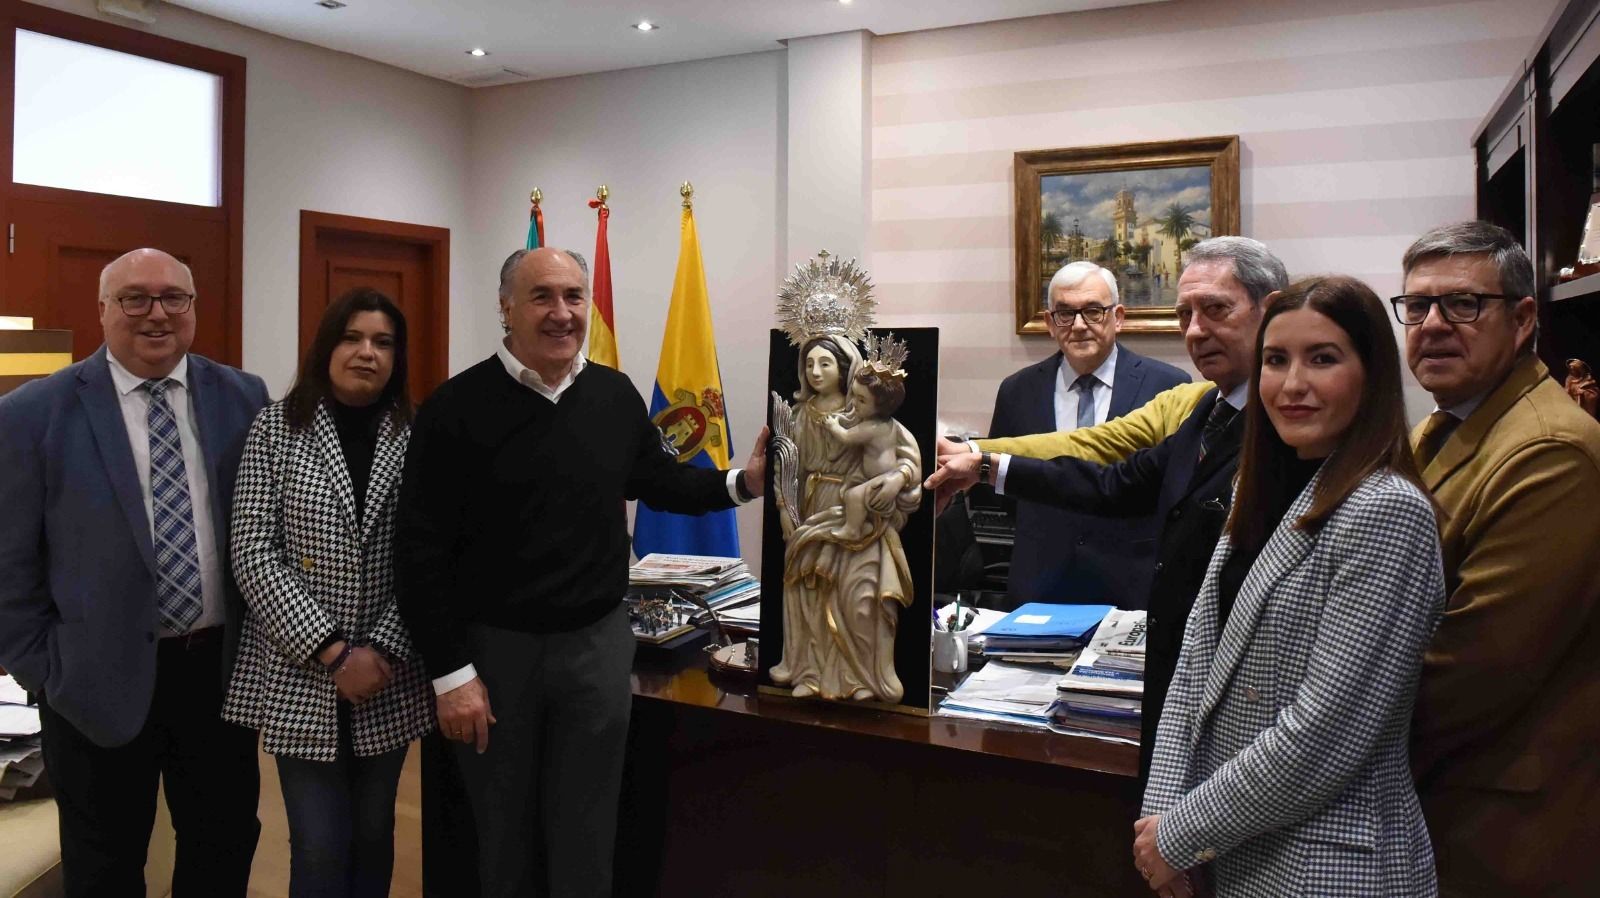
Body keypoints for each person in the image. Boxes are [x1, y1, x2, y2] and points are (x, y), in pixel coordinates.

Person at [395, 246, 768, 898]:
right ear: (506, 307)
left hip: (595, 651)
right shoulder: (454, 408)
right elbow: (419, 550)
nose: (563, 313)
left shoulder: (612, 394)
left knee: (588, 842)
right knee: (503, 846)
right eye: (542, 296)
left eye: (574, 296)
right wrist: (452, 675)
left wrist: (744, 483)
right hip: (495, 657)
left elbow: (664, 483)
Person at [925, 237, 1288, 782]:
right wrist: (983, 463)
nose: (1194, 331)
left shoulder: (1288, 422)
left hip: (1243, 695)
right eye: (1184, 314)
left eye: (1215, 310)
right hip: (1159, 664)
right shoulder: (1204, 409)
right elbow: (1109, 474)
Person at [1134, 276, 1443, 898]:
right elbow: (1194, 668)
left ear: (1371, 373)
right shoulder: (1264, 488)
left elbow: (1325, 731)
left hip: (1328, 861)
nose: (1292, 384)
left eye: (1322, 359)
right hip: (1232, 850)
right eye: (1276, 360)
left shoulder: (1386, 509)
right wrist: (1160, 817)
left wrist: (1180, 833)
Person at [0, 248, 266, 895]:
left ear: (194, 308)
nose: (157, 314)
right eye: (134, 298)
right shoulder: (33, 413)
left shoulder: (244, 397)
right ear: (102, 310)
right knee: (104, 865)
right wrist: (45, 670)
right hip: (92, 682)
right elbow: (9, 566)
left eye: (174, 297)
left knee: (221, 845)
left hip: (218, 678)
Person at [1395, 222, 1600, 897]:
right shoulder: (1445, 421)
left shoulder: (1550, 451)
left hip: (1498, 825)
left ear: (1521, 319)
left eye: (1462, 304)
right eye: (1417, 305)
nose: (1432, 325)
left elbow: (1469, 672)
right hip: (1444, 801)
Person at [223, 288, 434, 898]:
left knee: (374, 838)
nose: (367, 353)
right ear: (327, 346)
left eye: (383, 342)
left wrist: (383, 652)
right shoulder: (276, 428)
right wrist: (334, 652)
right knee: (317, 847)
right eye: (352, 337)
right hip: (301, 671)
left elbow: (430, 556)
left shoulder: (417, 433)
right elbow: (253, 551)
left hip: (387, 674)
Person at [987, 261, 1189, 608]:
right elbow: (1002, 489)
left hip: (1131, 582)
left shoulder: (1167, 387)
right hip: (1040, 582)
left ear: (1118, 317)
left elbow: (1173, 493)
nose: (1079, 326)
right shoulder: (1017, 390)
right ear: (1050, 323)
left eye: (1094, 312)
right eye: (1065, 314)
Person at [772, 336, 922, 702]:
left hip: (859, 511)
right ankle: (809, 671)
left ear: (844, 367)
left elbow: (908, 457)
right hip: (811, 507)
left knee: (860, 596)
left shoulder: (867, 411)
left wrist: (897, 478)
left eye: (825, 363)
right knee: (808, 587)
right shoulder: (800, 415)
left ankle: (859, 679)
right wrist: (783, 507)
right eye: (809, 364)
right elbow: (784, 465)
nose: (815, 371)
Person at [821, 367, 909, 541]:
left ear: (880, 406)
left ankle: (852, 530)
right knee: (855, 495)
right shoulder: (885, 424)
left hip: (882, 480)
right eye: (853, 395)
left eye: (861, 400)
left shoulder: (872, 427)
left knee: (853, 496)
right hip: (876, 477)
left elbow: (846, 437)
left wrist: (833, 426)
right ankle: (863, 524)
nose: (853, 403)